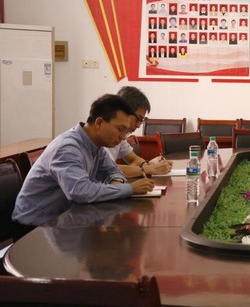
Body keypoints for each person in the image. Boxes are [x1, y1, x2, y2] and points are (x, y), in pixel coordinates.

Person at [11, 94, 156, 233]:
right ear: (99, 123)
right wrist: (129, 189)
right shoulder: (68, 147)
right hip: (35, 227)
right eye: (120, 129)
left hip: (66, 220)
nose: (123, 137)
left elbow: (113, 171)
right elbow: (80, 191)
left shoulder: (96, 146)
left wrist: (117, 183)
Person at [106, 86, 172, 179]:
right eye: (138, 119)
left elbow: (134, 159)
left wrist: (148, 165)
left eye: (142, 120)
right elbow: (108, 170)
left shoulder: (120, 135)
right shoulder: (103, 134)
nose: (138, 125)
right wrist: (150, 168)